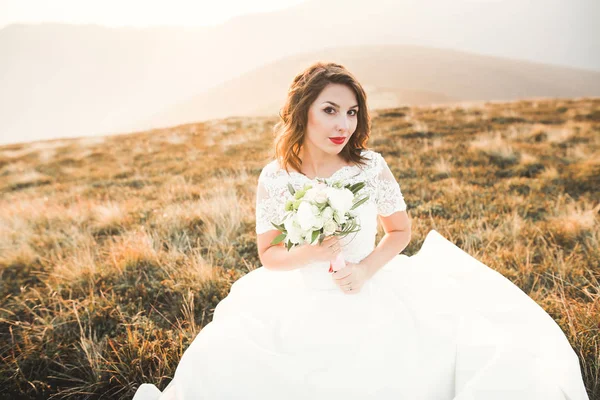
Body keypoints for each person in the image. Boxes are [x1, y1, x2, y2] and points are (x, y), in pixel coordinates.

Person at [133, 62, 589, 400]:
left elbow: (400, 231)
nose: (342, 125)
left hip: (371, 285)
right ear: (302, 111)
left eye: (351, 113)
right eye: (330, 110)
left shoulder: (370, 167)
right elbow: (269, 255)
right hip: (298, 293)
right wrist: (310, 253)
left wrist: (366, 270)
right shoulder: (276, 176)